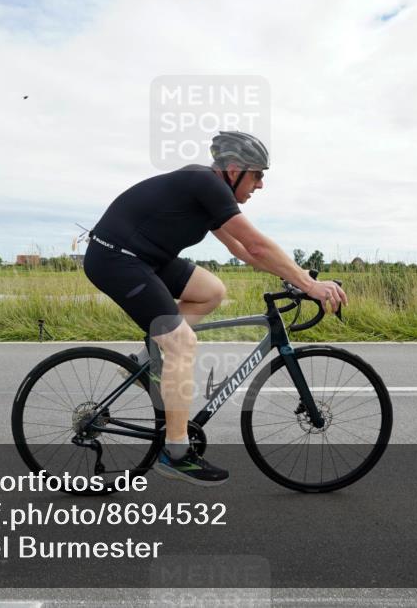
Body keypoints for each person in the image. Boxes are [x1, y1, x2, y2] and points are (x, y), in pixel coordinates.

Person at [83, 131, 347, 486]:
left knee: (211, 290)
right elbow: (254, 245)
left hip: (148, 258)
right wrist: (310, 286)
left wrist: (295, 277)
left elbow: (242, 250)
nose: (261, 184)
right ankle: (175, 452)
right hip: (116, 258)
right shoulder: (205, 183)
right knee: (181, 343)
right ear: (235, 169)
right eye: (257, 174)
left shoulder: (209, 194)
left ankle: (149, 357)